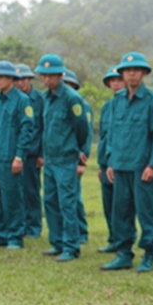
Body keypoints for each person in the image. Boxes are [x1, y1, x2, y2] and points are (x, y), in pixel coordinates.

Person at [100, 51, 153, 272]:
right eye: (127, 70)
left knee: (146, 212)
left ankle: (148, 254)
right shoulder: (116, 101)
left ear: (143, 74)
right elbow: (112, 134)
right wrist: (110, 161)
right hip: (120, 166)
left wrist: (152, 165)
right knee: (121, 211)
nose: (131, 74)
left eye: (135, 70)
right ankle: (123, 253)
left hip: (141, 168)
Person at [35, 54, 88, 262]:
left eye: (52, 76)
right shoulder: (45, 98)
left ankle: (71, 246)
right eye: (44, 76)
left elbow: (81, 128)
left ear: (61, 75)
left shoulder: (71, 98)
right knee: (50, 201)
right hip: (50, 158)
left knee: (67, 202)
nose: (48, 80)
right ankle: (56, 242)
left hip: (66, 158)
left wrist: (77, 151)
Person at [0, 61, 34, 250]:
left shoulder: (22, 100)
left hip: (10, 158)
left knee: (12, 198)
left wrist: (19, 156)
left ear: (11, 78)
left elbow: (26, 129)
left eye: (1, 77)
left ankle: (15, 236)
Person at [96, 65, 126, 253]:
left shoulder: (128, 104)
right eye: (112, 81)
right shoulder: (107, 107)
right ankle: (113, 238)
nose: (115, 84)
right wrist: (101, 164)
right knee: (108, 203)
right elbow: (104, 136)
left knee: (122, 204)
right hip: (106, 161)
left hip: (123, 162)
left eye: (118, 80)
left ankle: (123, 240)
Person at [62, 69, 93, 245]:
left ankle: (81, 231)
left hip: (75, 157)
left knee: (74, 197)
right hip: (61, 158)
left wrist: (83, 159)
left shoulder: (82, 105)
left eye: (69, 84)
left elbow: (86, 134)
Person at [15, 63, 45, 238]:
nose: (20, 83)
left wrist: (42, 154)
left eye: (23, 79)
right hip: (15, 153)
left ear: (30, 80)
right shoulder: (14, 99)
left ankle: (34, 226)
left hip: (33, 153)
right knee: (16, 190)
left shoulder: (39, 100)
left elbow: (43, 128)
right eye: (17, 80)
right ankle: (20, 224)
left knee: (31, 191)